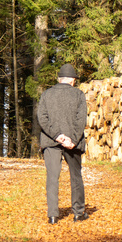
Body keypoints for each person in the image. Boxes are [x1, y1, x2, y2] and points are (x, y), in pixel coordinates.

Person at [37, 63, 87, 224]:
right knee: (76, 176)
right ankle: (78, 213)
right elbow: (81, 120)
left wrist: (57, 136)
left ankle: (53, 215)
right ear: (72, 80)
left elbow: (42, 118)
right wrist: (71, 139)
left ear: (59, 79)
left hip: (51, 141)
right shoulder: (78, 94)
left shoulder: (46, 94)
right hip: (73, 142)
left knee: (52, 177)